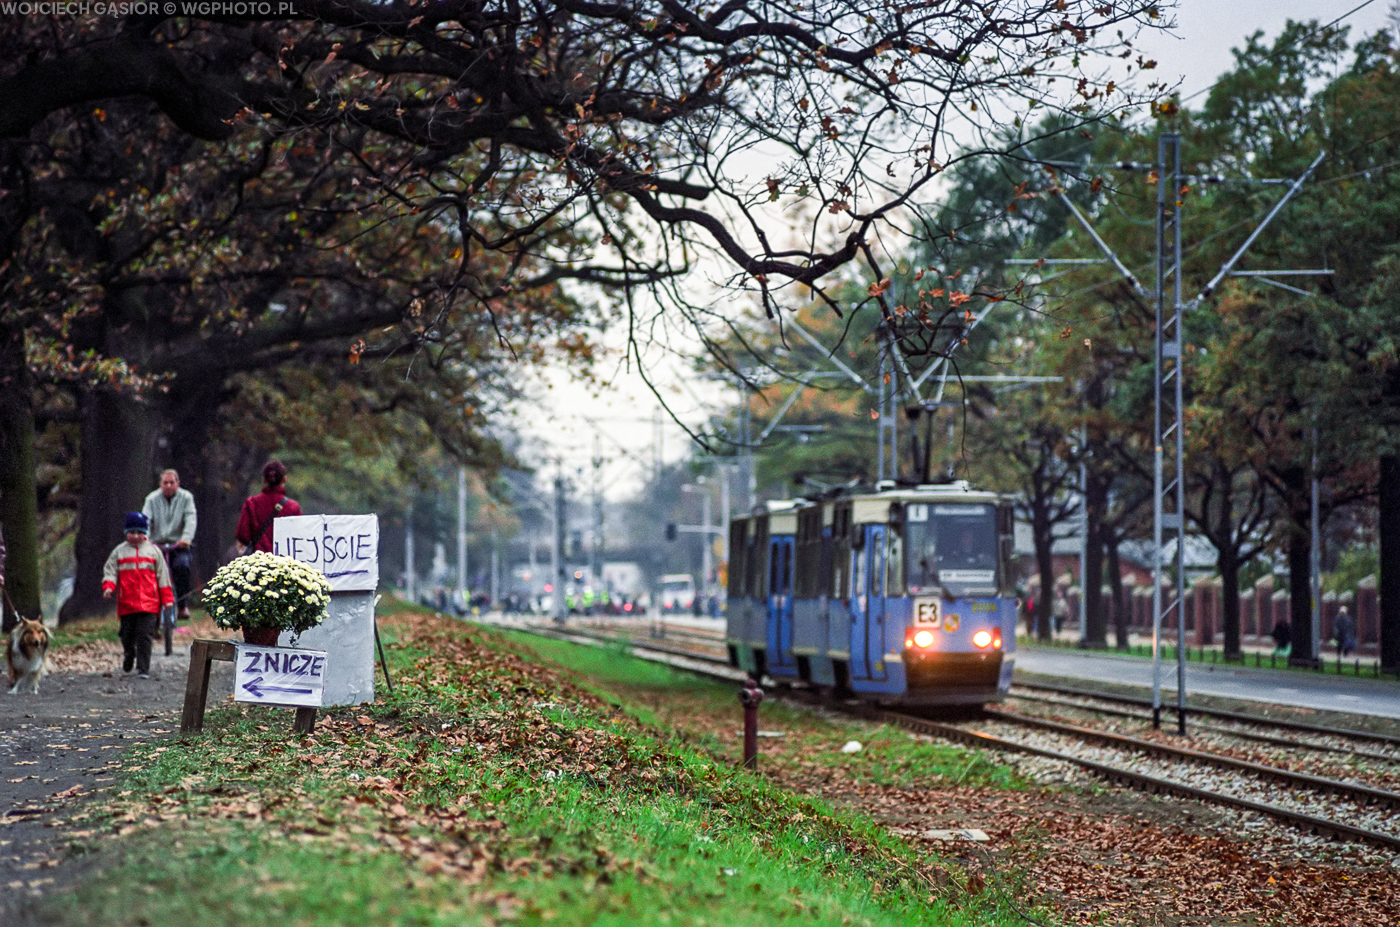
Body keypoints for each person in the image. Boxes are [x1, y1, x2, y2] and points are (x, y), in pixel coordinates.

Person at [101, 512, 173, 678]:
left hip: (149, 603)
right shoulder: (119, 552)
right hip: (127, 603)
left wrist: (167, 599)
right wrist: (109, 587)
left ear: (145, 533)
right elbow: (110, 571)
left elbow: (163, 577)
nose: (135, 536)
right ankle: (129, 654)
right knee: (126, 634)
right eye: (131, 532)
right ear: (126, 532)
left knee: (145, 635)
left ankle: (143, 668)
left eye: (139, 532)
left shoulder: (154, 552)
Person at [143, 469, 197, 620]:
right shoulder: (151, 499)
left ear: (178, 483)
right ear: (160, 484)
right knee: (149, 572)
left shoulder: (186, 498)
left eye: (171, 482)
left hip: (179, 545)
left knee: (182, 566)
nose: (168, 486)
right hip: (156, 545)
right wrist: (145, 538)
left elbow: (190, 520)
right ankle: (150, 609)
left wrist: (186, 539)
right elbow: (145, 520)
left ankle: (182, 605)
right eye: (165, 483)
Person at [235, 460, 303, 555]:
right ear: (284, 479)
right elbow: (300, 537)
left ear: (264, 479)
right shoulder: (293, 507)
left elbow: (243, 536)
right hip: (285, 563)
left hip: (257, 562)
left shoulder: (251, 502)